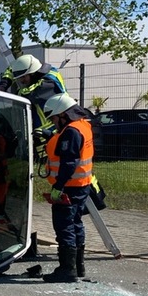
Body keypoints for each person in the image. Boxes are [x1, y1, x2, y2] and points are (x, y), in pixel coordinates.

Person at [36, 93, 94, 283]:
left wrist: (58, 187)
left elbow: (69, 162)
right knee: (76, 223)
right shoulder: (82, 126)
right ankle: (78, 267)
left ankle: (66, 270)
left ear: (63, 115)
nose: (53, 123)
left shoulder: (71, 132)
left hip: (68, 187)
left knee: (64, 227)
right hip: (81, 186)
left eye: (53, 118)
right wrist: (51, 135)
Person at [0, 54, 67, 131]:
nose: (21, 81)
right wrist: (3, 84)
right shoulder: (36, 69)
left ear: (33, 73)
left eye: (23, 77)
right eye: (19, 78)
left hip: (52, 130)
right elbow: (11, 68)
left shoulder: (48, 82)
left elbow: (27, 94)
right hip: (39, 130)